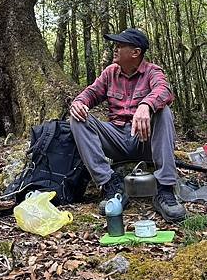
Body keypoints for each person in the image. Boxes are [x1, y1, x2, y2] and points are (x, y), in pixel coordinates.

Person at [69, 28, 186, 222]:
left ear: (135, 52)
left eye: (120, 46)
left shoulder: (152, 71)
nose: (115, 49)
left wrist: (146, 105)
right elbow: (91, 93)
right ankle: (110, 185)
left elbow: (164, 90)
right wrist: (79, 102)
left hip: (144, 139)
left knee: (163, 111)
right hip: (116, 139)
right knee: (78, 117)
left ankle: (165, 189)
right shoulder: (110, 73)